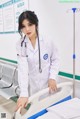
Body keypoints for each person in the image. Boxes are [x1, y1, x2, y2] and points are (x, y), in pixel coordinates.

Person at [16, 10, 60, 112]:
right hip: (34, 87)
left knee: (52, 112)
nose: (27, 29)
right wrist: (23, 93)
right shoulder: (20, 45)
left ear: (36, 24)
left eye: (30, 24)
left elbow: (56, 59)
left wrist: (52, 77)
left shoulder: (48, 40)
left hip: (49, 85)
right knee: (38, 112)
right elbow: (22, 70)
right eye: (23, 26)